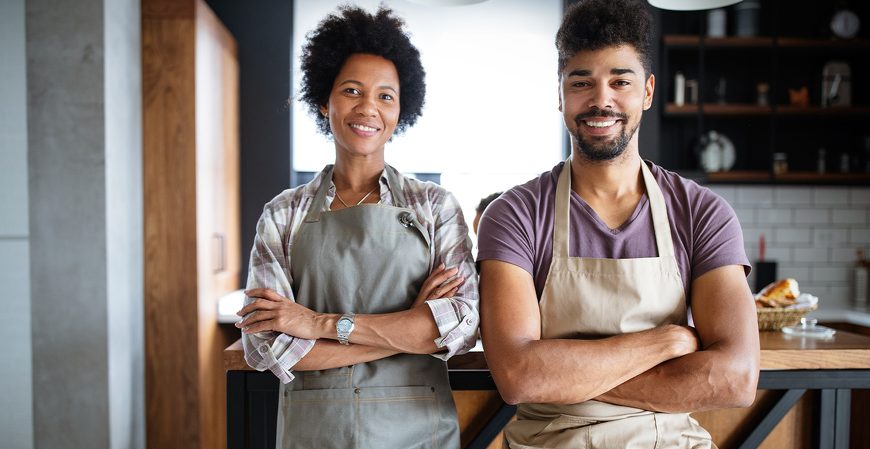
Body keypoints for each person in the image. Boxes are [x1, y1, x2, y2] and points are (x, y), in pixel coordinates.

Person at [476, 0, 760, 447]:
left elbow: (735, 379)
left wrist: (565, 375)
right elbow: (518, 377)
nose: (601, 99)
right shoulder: (514, 215)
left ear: (647, 91)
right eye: (582, 82)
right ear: (560, 95)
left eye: (620, 81)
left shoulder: (702, 213)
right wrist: (664, 343)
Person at [235, 5, 479, 448]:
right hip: (316, 433)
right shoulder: (282, 214)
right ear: (325, 100)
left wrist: (316, 324)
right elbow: (265, 346)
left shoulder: (435, 207)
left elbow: (460, 327)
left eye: (386, 96)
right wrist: (412, 329)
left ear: (401, 111)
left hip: (416, 433)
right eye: (352, 90)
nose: (369, 107)